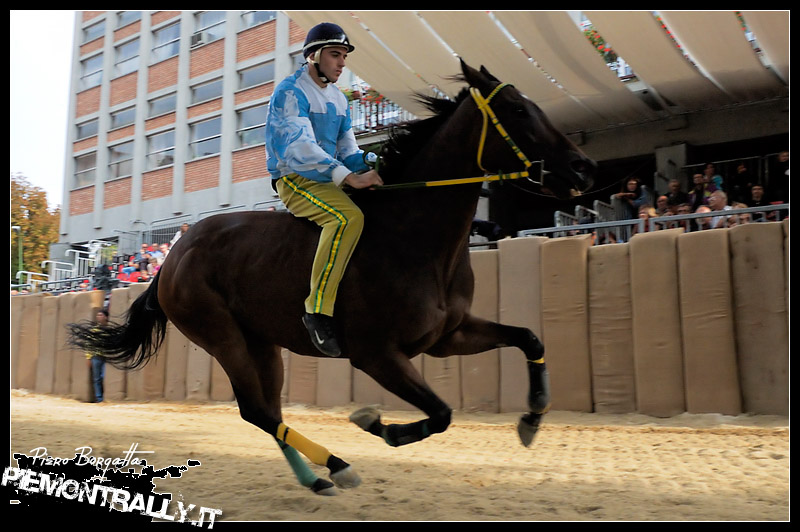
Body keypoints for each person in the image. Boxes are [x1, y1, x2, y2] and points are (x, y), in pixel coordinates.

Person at [265, 22, 383, 357]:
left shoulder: (338, 100)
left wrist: (375, 162)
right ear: (314, 56)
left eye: (344, 55)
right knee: (347, 219)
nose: (342, 63)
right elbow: (299, 148)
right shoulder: (290, 91)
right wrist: (348, 177)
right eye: (335, 54)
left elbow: (347, 150)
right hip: (295, 178)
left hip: (327, 177)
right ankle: (317, 312)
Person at [85, 309, 109, 403]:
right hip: (96, 356)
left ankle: (103, 397)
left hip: (106, 357)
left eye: (101, 315)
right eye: (98, 315)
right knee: (97, 378)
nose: (99, 317)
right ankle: (99, 399)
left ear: (106, 317)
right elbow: (89, 344)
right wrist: (88, 357)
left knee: (103, 377)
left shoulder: (108, 330)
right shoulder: (94, 330)